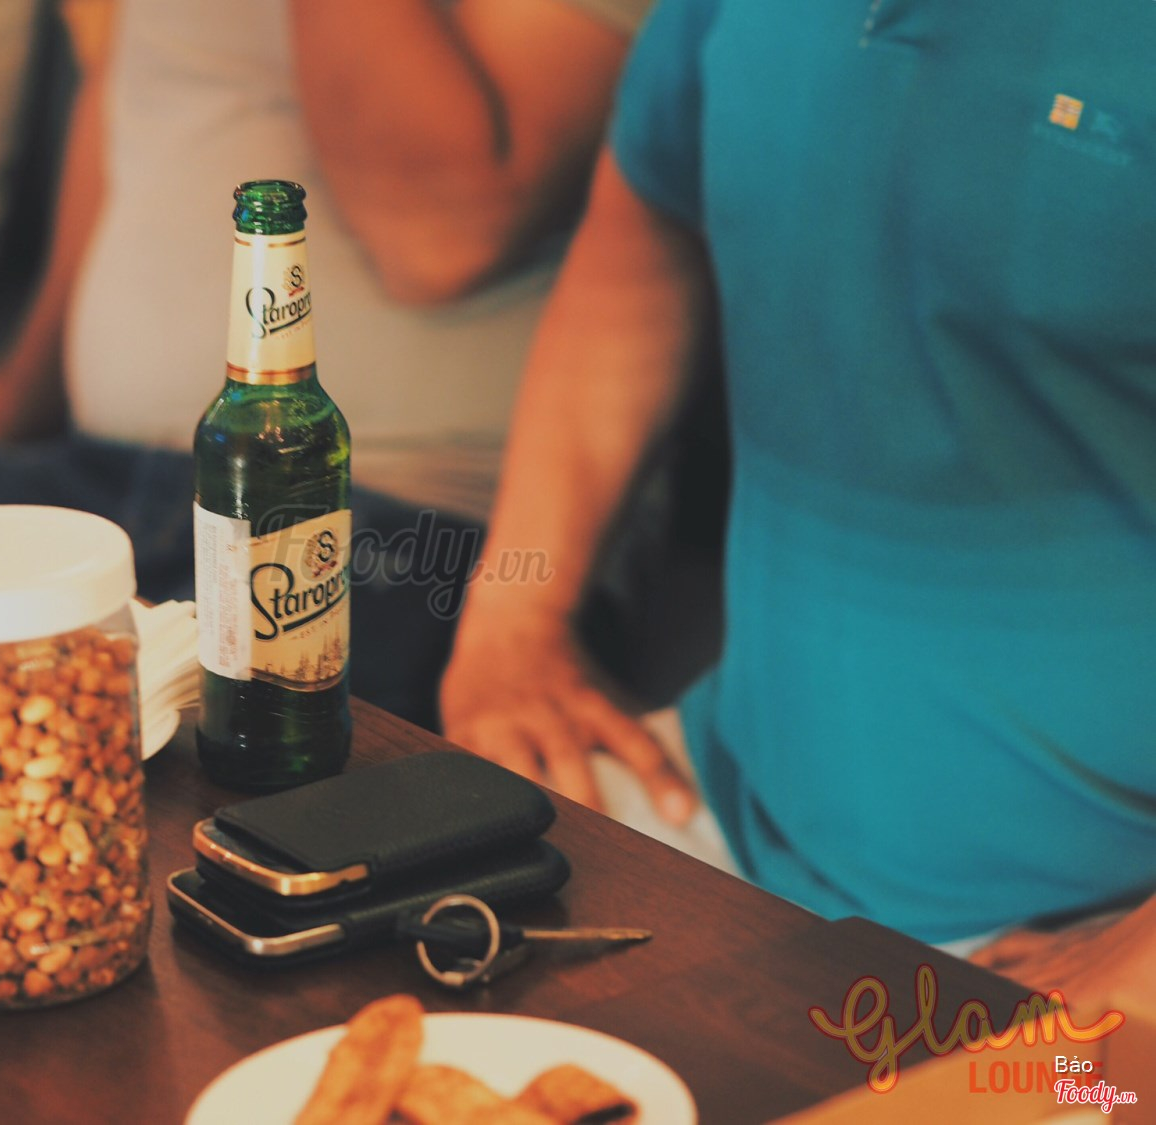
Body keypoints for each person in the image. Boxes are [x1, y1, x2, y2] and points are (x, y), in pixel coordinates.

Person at [440, 0, 1156, 1009]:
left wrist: (1139, 963)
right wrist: (514, 615)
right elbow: (641, 232)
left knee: (1073, 1089)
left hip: (1093, 939)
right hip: (721, 810)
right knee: (332, 999)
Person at [0, 0, 651, 729]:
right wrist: (17, 395)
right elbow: (133, 101)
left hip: (384, 513)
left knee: (244, 789)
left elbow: (439, 240)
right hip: (113, 471)